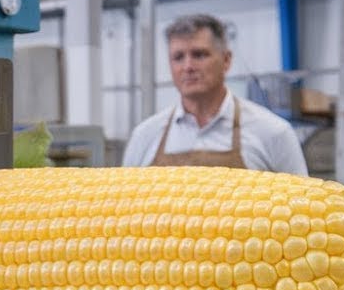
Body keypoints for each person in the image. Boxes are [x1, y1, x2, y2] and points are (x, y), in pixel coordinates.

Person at [121, 13, 308, 175]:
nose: (188, 66)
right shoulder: (144, 136)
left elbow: (301, 203)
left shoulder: (273, 133)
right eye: (178, 57)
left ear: (226, 60)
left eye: (199, 55)